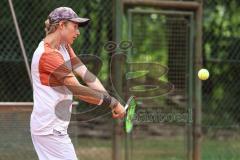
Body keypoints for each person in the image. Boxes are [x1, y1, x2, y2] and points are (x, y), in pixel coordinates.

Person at [30, 7, 125, 160]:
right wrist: (112, 103)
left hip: (50, 128)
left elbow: (86, 75)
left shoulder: (63, 47)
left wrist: (109, 98)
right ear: (61, 25)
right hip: (50, 130)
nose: (78, 32)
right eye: (74, 26)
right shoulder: (48, 56)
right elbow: (78, 90)